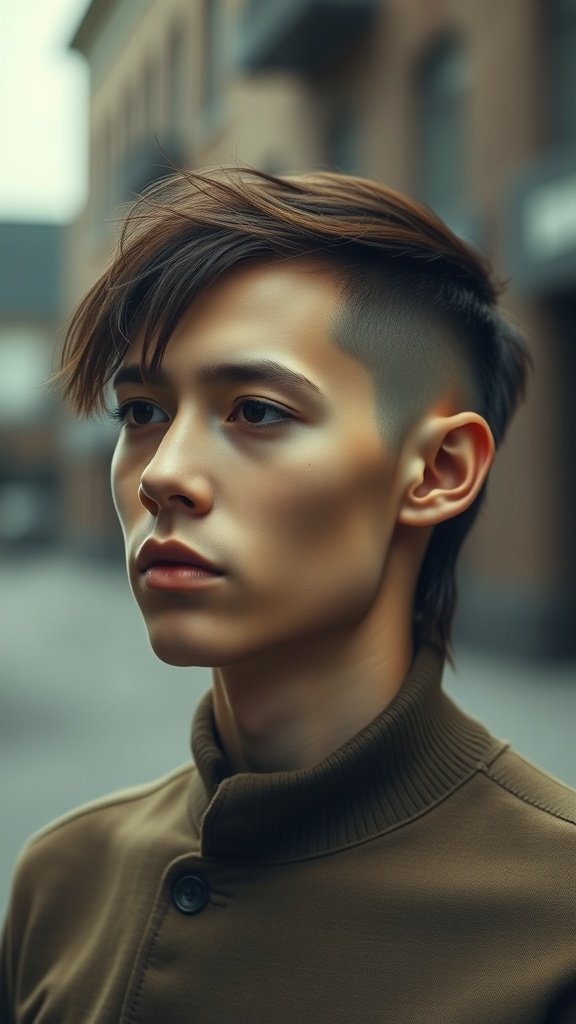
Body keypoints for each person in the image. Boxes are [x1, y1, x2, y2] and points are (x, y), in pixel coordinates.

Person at [1, 167, 575, 1024]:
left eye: (258, 412)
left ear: (437, 471)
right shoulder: (62, 880)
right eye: (142, 412)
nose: (162, 474)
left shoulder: (555, 925)